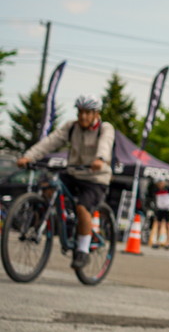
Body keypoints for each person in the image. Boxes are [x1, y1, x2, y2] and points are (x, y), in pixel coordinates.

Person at [16, 95, 115, 270]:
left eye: (87, 113)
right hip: (74, 172)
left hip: (95, 178)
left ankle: (83, 250)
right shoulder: (71, 127)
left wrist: (100, 159)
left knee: (82, 208)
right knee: (47, 187)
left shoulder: (105, 128)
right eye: (80, 112)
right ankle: (47, 221)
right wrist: (29, 156)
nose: (83, 116)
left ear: (95, 114)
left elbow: (105, 145)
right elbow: (50, 142)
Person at [149, 178, 169, 248]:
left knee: (167, 225)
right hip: (160, 209)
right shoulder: (156, 190)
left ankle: (168, 242)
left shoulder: (168, 189)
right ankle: (157, 241)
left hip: (167, 209)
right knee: (159, 225)